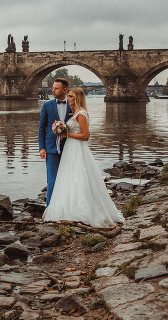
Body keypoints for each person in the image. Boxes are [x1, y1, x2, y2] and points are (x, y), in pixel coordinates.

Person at [43, 88, 124, 227]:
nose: (68, 99)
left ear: (78, 98)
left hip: (78, 149)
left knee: (79, 178)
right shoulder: (74, 113)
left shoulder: (81, 113)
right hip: (70, 149)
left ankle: (82, 212)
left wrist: (66, 135)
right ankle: (68, 209)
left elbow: (86, 136)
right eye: (68, 96)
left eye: (71, 97)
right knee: (69, 178)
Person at [38, 78, 71, 206]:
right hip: (51, 148)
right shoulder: (47, 105)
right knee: (52, 180)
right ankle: (50, 208)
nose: (53, 90)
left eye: (56, 88)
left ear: (64, 89)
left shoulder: (72, 105)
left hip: (69, 148)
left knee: (68, 178)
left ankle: (66, 206)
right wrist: (42, 147)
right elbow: (42, 128)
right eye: (53, 88)